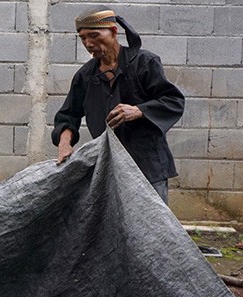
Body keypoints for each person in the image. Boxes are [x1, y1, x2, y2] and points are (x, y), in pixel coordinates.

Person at [52, 6, 184, 204]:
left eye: (94, 35)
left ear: (113, 32)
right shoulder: (85, 76)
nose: (88, 43)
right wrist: (64, 144)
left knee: (150, 229)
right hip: (109, 166)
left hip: (146, 166)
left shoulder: (144, 63)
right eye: (83, 38)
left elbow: (173, 101)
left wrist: (139, 110)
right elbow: (68, 115)